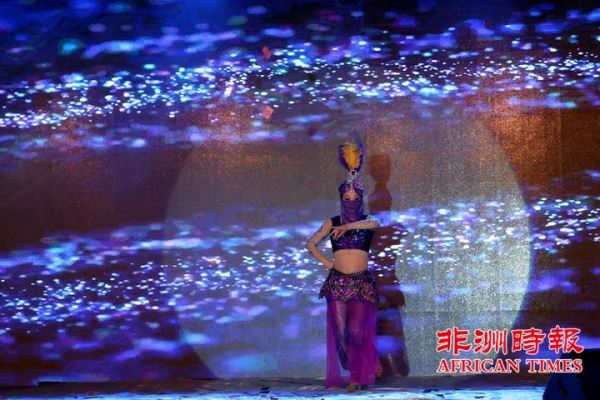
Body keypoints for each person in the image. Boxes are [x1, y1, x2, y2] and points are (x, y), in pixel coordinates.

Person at [305, 138, 383, 392]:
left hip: (360, 282)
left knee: (357, 331)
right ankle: (357, 367)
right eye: (346, 198)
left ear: (360, 199)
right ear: (341, 198)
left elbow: (375, 224)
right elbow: (310, 243)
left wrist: (348, 226)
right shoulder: (331, 222)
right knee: (340, 332)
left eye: (355, 198)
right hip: (337, 282)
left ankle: (357, 377)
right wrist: (326, 262)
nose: (350, 201)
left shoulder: (368, 220)